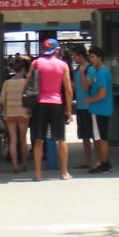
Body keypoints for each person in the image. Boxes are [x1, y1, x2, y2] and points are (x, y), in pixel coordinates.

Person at [25, 37, 73, 181]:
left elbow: (28, 84)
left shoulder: (36, 63)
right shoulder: (63, 65)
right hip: (56, 104)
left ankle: (38, 174)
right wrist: (69, 109)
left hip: (40, 104)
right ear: (57, 50)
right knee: (61, 139)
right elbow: (68, 89)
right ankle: (64, 172)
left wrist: (28, 106)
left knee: (38, 139)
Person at [82, 46, 114, 173]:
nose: (91, 60)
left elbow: (102, 93)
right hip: (101, 109)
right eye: (90, 57)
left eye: (93, 57)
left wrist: (89, 100)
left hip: (100, 109)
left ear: (100, 57)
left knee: (101, 138)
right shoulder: (101, 71)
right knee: (100, 137)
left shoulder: (101, 72)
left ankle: (104, 163)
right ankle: (104, 161)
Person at [1, 56, 31, 172]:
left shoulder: (7, 83)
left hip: (10, 113)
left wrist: (5, 110)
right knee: (23, 139)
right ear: (23, 69)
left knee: (12, 140)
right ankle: (24, 163)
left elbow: (2, 99)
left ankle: (14, 165)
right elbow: (29, 97)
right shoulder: (25, 82)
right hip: (23, 112)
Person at [71, 44, 96, 168]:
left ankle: (98, 160)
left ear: (80, 55)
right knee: (84, 135)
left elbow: (86, 86)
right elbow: (76, 87)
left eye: (75, 55)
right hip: (80, 106)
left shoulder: (89, 69)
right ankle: (87, 160)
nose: (73, 58)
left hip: (89, 107)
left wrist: (81, 73)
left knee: (93, 135)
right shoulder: (77, 69)